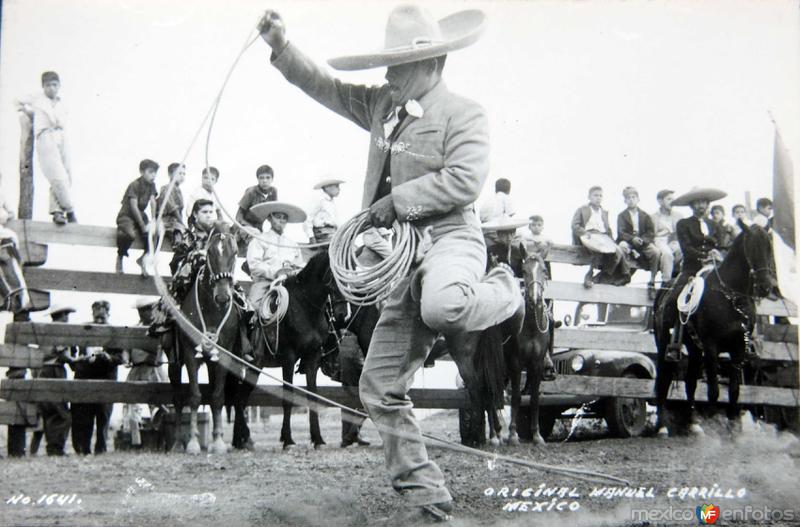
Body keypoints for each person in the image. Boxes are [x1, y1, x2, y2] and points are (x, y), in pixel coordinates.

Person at [259, 6, 522, 520]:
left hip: (451, 242)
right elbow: (328, 88)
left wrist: (395, 202)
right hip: (401, 261)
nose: (387, 75)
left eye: (397, 65)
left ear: (430, 63)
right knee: (377, 387)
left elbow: (465, 181)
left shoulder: (465, 114)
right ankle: (427, 496)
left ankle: (504, 288)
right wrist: (282, 46)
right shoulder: (383, 106)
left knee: (445, 308)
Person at [663, 187, 726, 362]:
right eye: (697, 202)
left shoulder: (715, 225)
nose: (701, 205)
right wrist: (704, 256)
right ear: (692, 205)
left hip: (713, 270)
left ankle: (743, 341)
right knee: (674, 298)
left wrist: (717, 253)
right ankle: (673, 342)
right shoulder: (684, 224)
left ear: (708, 204)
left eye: (704, 202)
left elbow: (721, 245)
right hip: (692, 269)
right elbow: (687, 248)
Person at [16, 71, 76, 225]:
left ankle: (57, 211)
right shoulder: (38, 98)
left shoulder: (62, 102)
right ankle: (70, 211)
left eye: (54, 85)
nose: (51, 88)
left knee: (67, 174)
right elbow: (17, 100)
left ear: (59, 86)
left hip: (60, 136)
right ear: (43, 86)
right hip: (45, 136)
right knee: (57, 175)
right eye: (48, 85)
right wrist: (28, 112)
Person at [69, 300, 124, 455]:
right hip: (85, 377)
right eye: (97, 315)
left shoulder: (115, 333)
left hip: (106, 378)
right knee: (83, 416)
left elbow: (121, 357)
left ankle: (101, 449)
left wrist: (108, 357)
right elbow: (72, 350)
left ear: (108, 314)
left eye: (103, 316)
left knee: (103, 417)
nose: (99, 319)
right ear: (92, 313)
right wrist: (77, 362)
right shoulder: (83, 330)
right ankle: (82, 450)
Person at [29, 305, 76, 456]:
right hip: (54, 370)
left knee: (49, 412)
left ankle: (49, 448)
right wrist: (76, 360)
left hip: (42, 371)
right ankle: (56, 448)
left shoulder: (45, 331)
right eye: (66, 315)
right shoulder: (59, 331)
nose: (68, 318)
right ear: (62, 315)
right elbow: (63, 355)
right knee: (62, 414)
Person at [122, 297, 166, 448]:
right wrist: (126, 358)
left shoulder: (159, 328)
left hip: (153, 369)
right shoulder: (134, 329)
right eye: (140, 310)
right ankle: (136, 441)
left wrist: (155, 357)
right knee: (131, 404)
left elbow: (162, 349)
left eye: (146, 310)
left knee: (159, 403)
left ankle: (160, 440)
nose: (142, 313)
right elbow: (126, 348)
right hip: (136, 368)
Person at [246, 202, 306, 311]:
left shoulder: (293, 244)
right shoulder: (259, 240)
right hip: (265, 283)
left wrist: (295, 271)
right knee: (253, 306)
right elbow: (254, 265)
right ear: (270, 218)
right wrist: (276, 272)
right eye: (278, 217)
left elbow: (299, 264)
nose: (281, 220)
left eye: (284, 218)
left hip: (289, 283)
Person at [571, 185, 629, 288]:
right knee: (597, 251)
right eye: (595, 195)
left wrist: (612, 242)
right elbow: (575, 225)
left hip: (603, 236)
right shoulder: (583, 209)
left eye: (600, 196)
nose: (598, 198)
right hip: (589, 235)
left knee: (618, 251)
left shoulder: (604, 212)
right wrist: (584, 232)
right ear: (589, 197)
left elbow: (608, 229)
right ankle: (589, 275)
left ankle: (616, 275)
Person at [116, 159, 158, 277]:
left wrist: (153, 219)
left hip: (140, 214)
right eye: (150, 172)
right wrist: (142, 225)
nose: (153, 175)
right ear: (142, 172)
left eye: (155, 173)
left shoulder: (152, 185)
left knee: (153, 235)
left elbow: (153, 202)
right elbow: (133, 207)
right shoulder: (135, 185)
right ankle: (120, 257)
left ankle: (143, 260)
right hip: (127, 215)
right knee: (129, 234)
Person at [616, 186, 661, 298]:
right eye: (628, 198)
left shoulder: (645, 215)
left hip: (642, 242)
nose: (631, 200)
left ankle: (652, 280)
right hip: (629, 241)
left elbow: (650, 232)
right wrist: (632, 239)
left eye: (633, 197)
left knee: (655, 252)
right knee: (622, 246)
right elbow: (621, 232)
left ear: (638, 199)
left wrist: (643, 240)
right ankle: (625, 274)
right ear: (625, 200)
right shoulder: (622, 216)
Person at [235, 165, 279, 250]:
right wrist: (248, 227)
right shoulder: (251, 192)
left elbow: (273, 213)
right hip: (244, 226)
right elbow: (238, 216)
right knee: (257, 246)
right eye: (261, 178)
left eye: (268, 178)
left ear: (272, 179)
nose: (265, 181)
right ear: (257, 179)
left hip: (259, 227)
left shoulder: (273, 192)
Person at [651, 189, 684, 283]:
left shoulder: (678, 216)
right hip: (660, 240)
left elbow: (681, 233)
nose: (672, 202)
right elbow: (652, 235)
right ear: (660, 201)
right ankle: (666, 281)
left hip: (674, 240)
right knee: (667, 254)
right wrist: (663, 233)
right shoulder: (654, 217)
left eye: (673, 199)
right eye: (669, 199)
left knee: (683, 251)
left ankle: (678, 280)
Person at [155, 162, 187, 249]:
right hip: (166, 221)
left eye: (184, 174)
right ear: (170, 174)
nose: (182, 176)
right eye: (179, 173)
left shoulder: (178, 191)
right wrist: (182, 224)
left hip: (175, 221)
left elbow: (179, 211)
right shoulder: (167, 189)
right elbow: (173, 209)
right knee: (180, 233)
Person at [305, 178, 344, 243]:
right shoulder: (319, 199)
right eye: (337, 186)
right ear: (327, 187)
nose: (339, 189)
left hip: (332, 232)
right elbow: (308, 217)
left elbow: (335, 221)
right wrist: (311, 236)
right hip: (322, 233)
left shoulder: (331, 202)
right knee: (339, 245)